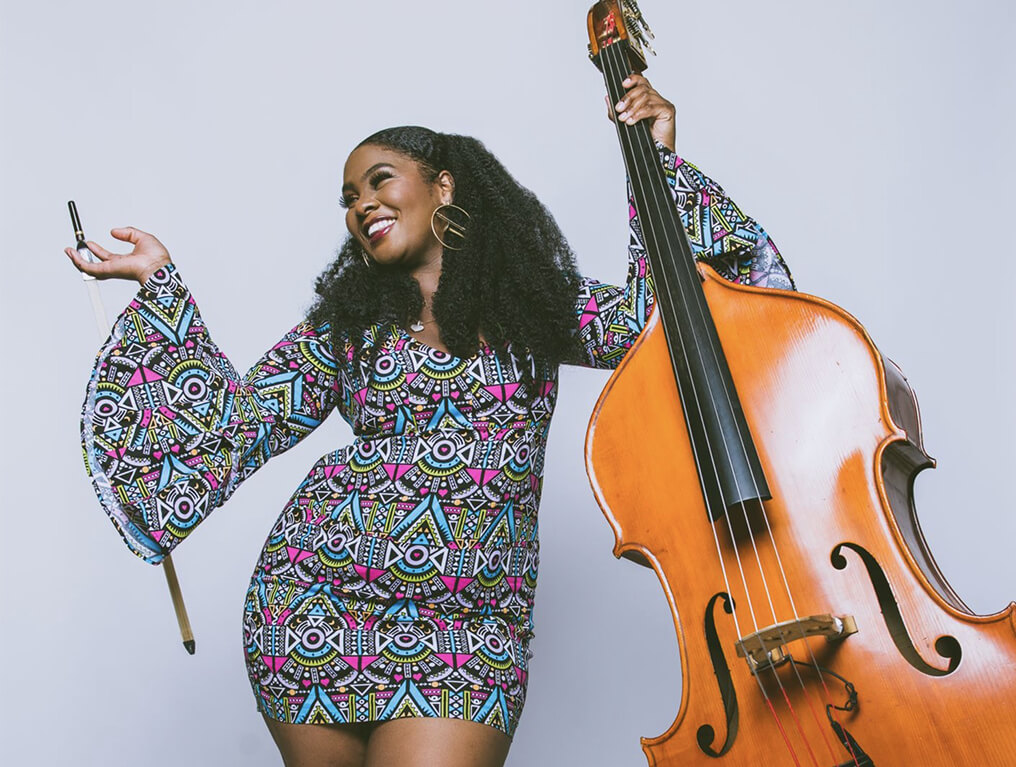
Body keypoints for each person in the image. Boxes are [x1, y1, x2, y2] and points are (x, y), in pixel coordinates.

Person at [68, 76, 794, 767]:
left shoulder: (534, 304)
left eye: (379, 180)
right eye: (349, 197)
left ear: (443, 185)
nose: (362, 204)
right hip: (311, 608)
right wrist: (160, 285)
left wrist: (655, 158)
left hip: (473, 631)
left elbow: (663, 323)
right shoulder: (345, 329)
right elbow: (239, 423)